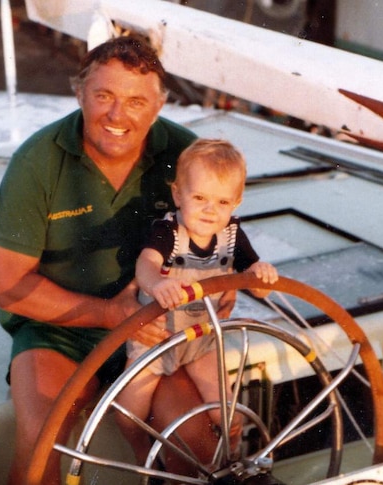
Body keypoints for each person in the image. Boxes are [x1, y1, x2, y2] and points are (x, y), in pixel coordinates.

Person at [0, 34, 225, 484]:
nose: (118, 116)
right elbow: (9, 286)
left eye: (137, 101)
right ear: (79, 93)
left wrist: (217, 294)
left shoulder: (189, 155)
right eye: (104, 96)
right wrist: (111, 313)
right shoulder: (36, 163)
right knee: (42, 436)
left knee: (196, 440)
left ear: (159, 105)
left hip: (158, 329)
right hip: (59, 331)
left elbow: (217, 245)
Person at [115, 138, 279, 465]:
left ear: (236, 202)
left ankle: (231, 462)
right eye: (200, 197)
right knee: (130, 408)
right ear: (178, 195)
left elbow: (257, 287)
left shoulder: (232, 235)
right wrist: (158, 283)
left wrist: (260, 272)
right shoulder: (168, 233)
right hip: (156, 340)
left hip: (202, 340)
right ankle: (138, 448)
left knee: (229, 413)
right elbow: (145, 265)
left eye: (221, 201)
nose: (209, 209)